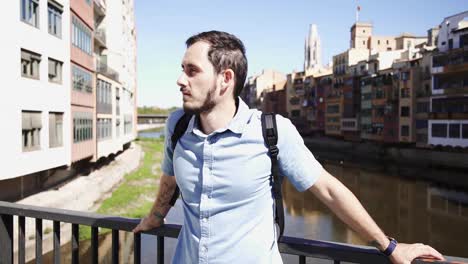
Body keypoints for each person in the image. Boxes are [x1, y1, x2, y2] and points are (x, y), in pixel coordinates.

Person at [133, 30, 444, 264]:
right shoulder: (177, 125)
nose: (179, 80)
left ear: (225, 79)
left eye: (192, 70)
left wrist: (389, 247)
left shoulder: (272, 131)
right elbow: (170, 179)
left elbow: (328, 190)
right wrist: (155, 217)